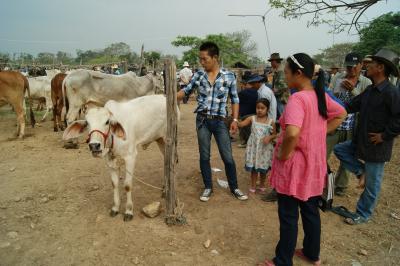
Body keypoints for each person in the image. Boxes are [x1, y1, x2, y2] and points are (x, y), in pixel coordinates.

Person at [259, 53, 346, 266]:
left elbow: (292, 134)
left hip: (295, 167)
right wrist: (318, 133)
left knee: (288, 216)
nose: (285, 77)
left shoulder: (297, 99)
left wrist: (284, 154)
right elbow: (342, 113)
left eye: (287, 73)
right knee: (310, 211)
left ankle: (282, 261)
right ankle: (311, 253)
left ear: (298, 73)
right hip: (314, 165)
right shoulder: (319, 96)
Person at [334, 48, 400, 225]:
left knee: (372, 185)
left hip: (377, 146)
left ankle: (363, 214)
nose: (366, 66)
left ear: (380, 68)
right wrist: (328, 104)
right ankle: (360, 170)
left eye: (370, 64)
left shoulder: (391, 92)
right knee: (340, 149)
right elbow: (351, 105)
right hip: (361, 140)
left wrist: (385, 135)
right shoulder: (371, 90)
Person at [176, 41, 248, 202]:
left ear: (215, 57)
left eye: (204, 59)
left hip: (221, 121)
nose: (202, 62)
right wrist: (168, 99)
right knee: (204, 155)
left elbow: (235, 99)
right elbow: (185, 91)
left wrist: (235, 119)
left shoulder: (229, 76)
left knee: (227, 156)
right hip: (202, 121)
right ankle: (208, 187)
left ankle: (234, 187)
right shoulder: (199, 75)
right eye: (200, 59)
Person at [327, 52, 372, 196]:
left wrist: (353, 90)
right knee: (322, 153)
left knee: (345, 157)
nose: (350, 69)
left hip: (352, 126)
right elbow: (330, 97)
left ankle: (340, 186)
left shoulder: (367, 83)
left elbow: (367, 104)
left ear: (360, 65)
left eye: (354, 67)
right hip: (334, 124)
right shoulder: (337, 78)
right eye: (348, 67)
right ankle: (320, 181)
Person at [238, 99, 276, 194]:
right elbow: (242, 124)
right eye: (258, 108)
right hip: (254, 149)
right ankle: (253, 185)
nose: (259, 110)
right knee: (254, 169)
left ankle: (262, 185)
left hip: (264, 149)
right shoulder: (252, 118)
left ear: (267, 109)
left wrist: (270, 137)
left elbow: (275, 134)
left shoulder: (271, 122)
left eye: (262, 108)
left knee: (263, 169)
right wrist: (235, 120)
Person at [237, 72, 258, 148]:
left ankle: (245, 141)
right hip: (254, 113)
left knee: (243, 127)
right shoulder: (257, 91)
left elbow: (237, 101)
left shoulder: (243, 93)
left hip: (245, 114)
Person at [268, 53, 288, 119]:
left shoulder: (281, 71)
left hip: (282, 98)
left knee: (284, 116)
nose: (271, 63)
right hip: (280, 97)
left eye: (271, 62)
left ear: (274, 61)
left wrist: (274, 92)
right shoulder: (278, 70)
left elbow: (283, 86)